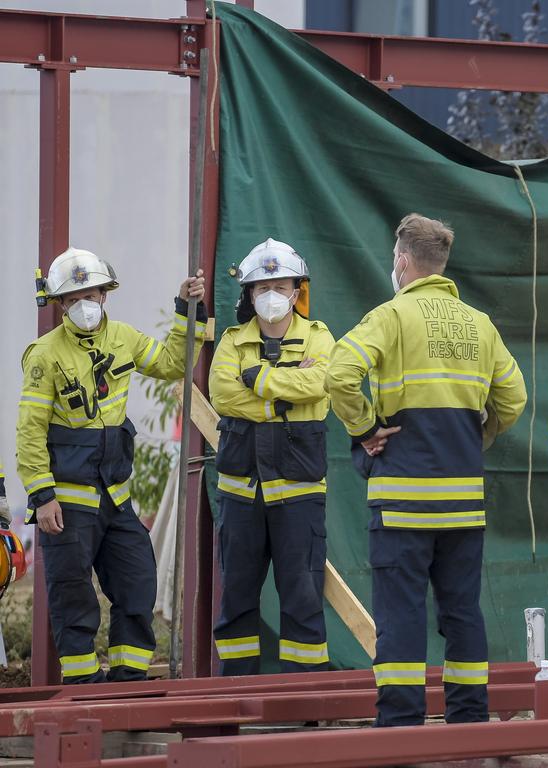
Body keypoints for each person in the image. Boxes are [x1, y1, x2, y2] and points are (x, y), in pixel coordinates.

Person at [326, 213, 526, 727]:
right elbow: (516, 398)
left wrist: (367, 429)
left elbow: (341, 375)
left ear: (402, 261)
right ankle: (468, 720)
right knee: (462, 613)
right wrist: (478, 436)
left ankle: (400, 724)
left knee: (402, 614)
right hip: (462, 505)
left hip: (401, 505)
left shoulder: (391, 316)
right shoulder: (479, 323)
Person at [17, 246, 205, 683]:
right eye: (74, 296)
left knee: (138, 582)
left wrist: (185, 309)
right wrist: (42, 497)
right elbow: (29, 432)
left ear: (106, 293)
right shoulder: (45, 355)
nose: (85, 303)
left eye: (93, 293)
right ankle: (84, 687)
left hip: (115, 497)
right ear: (60, 303)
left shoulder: (123, 336)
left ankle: (128, 684)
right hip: (66, 502)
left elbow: (173, 363)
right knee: (74, 596)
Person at [209, 238, 335, 675]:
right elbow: (223, 395)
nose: (271, 296)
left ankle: (304, 700)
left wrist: (257, 379)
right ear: (247, 295)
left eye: (280, 286)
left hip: (299, 492)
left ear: (297, 290)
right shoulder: (231, 342)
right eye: (261, 287)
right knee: (238, 597)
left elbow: (319, 385)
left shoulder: (319, 337)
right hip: (241, 492)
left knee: (302, 596)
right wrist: (280, 400)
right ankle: (235, 695)